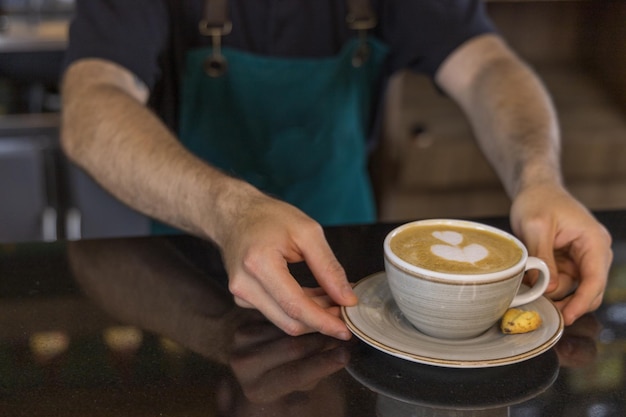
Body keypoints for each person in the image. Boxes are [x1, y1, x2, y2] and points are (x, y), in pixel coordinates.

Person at [60, 0, 613, 341]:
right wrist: (230, 211)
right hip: (190, 263)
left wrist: (539, 177)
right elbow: (90, 104)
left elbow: (487, 64)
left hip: (352, 272)